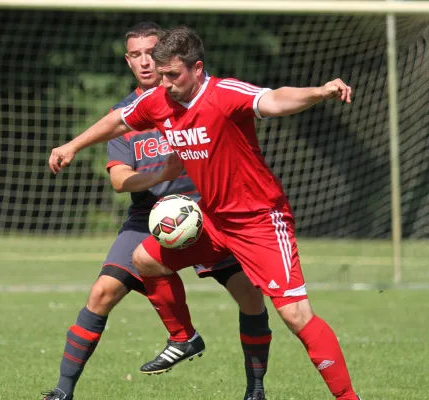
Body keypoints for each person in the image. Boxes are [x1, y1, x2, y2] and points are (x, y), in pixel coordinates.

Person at [48, 25, 362, 400]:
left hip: (260, 220)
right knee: (145, 259)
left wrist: (321, 91)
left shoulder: (224, 94)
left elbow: (276, 100)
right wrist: (73, 145)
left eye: (173, 75)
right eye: (160, 75)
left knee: (296, 316)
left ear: (197, 69)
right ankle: (183, 338)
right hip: (212, 220)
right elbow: (117, 121)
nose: (165, 83)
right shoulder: (159, 100)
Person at [43, 23, 271, 400]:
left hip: (208, 210)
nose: (145, 61)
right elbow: (119, 180)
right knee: (102, 293)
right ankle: (62, 391)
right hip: (149, 215)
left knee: (250, 296)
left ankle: (256, 391)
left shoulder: (198, 99)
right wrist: (161, 174)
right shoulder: (120, 117)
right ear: (128, 61)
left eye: (152, 51)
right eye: (136, 55)